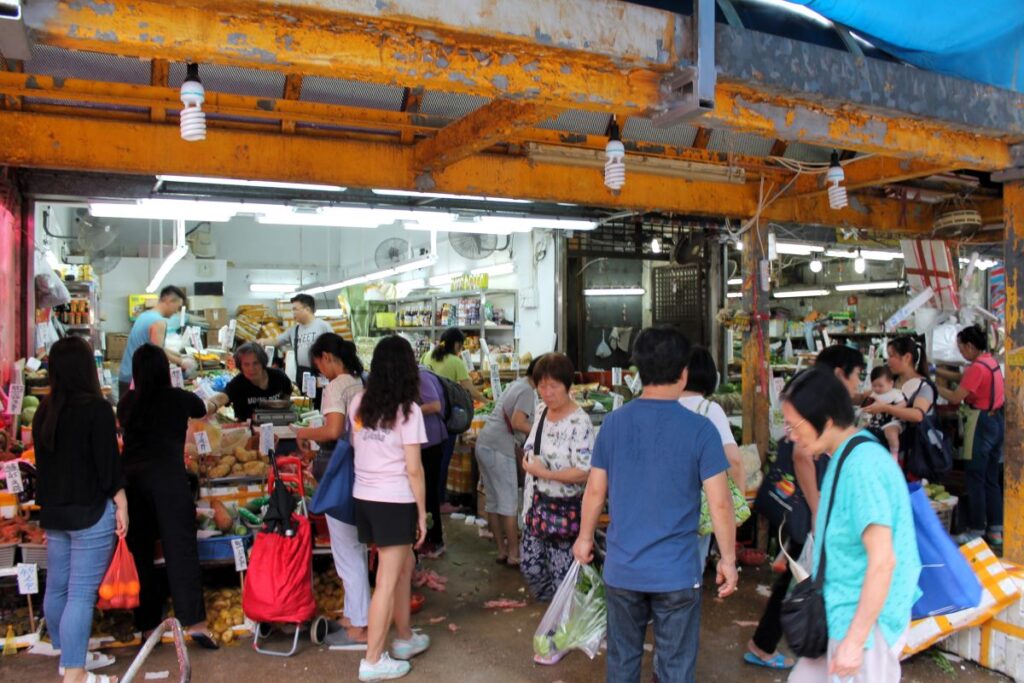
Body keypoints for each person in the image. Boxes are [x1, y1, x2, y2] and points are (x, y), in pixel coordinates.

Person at [574, 328, 738, 682]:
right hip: (677, 573)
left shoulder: (614, 423)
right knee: (675, 667)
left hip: (622, 570)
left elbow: (594, 492)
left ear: (636, 374)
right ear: (683, 374)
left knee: (622, 661)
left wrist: (585, 538)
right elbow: (720, 504)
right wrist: (728, 559)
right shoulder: (702, 429)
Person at [783, 368, 921, 683]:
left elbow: (883, 561)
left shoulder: (863, 467)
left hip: (864, 624)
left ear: (826, 421)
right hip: (839, 610)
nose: (790, 435)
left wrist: (856, 640)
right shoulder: (844, 455)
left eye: (794, 426)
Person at [746, 343, 867, 671]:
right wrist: (818, 511)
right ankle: (769, 643)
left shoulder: (814, 404)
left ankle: (766, 642)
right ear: (840, 373)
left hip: (803, 506)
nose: (857, 384)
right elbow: (801, 456)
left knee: (798, 575)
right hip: (807, 507)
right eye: (857, 376)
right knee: (803, 577)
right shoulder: (814, 409)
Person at [33, 337, 128, 683]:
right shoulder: (97, 409)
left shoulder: (45, 410)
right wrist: (122, 504)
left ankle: (67, 656)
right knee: (81, 594)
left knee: (57, 587)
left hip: (55, 514)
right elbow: (108, 466)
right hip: (90, 513)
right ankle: (75, 673)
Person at [117, 344, 217, 649]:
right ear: (164, 369)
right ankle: (195, 624)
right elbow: (203, 409)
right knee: (181, 550)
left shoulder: (126, 403)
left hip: (133, 483)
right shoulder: (178, 398)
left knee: (142, 554)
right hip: (169, 481)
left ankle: (148, 627)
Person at [351, 335, 430, 682]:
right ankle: (373, 659)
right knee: (386, 578)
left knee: (401, 566)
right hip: (393, 498)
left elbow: (358, 445)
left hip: (364, 497)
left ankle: (405, 638)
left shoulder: (358, 402)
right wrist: (422, 511)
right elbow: (414, 468)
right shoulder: (409, 411)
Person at [291, 334, 371, 649]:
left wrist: (302, 432)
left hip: (342, 470)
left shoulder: (337, 386)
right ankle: (354, 616)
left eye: (319, 365)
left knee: (346, 550)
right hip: (360, 467)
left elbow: (334, 430)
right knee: (354, 548)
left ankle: (361, 626)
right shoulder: (358, 382)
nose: (321, 372)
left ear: (326, 357)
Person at [520, 353, 594, 614]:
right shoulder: (540, 411)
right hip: (535, 504)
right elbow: (530, 445)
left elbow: (585, 472)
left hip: (563, 510)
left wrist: (546, 473)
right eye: (541, 386)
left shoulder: (579, 422)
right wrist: (529, 462)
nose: (547, 392)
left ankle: (563, 620)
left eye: (553, 386)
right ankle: (555, 609)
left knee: (563, 572)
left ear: (568, 386)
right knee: (530, 566)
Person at [936, 325, 1005, 546]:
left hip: (980, 423)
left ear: (970, 346)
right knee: (991, 479)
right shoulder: (990, 362)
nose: (961, 353)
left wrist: (935, 387)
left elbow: (956, 397)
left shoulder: (976, 368)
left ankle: (975, 530)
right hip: (996, 422)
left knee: (975, 478)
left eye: (961, 348)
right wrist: (937, 370)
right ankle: (995, 529)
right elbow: (963, 376)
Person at [678, 346, 745, 563]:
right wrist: (737, 507)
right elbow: (733, 460)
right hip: (701, 506)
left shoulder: (662, 406)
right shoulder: (710, 410)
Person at [474, 355, 541, 567]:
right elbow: (518, 422)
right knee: (509, 502)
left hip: (485, 443)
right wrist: (543, 432)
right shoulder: (527, 391)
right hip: (499, 449)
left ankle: (502, 551)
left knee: (494, 500)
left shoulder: (517, 384)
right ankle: (514, 554)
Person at [421, 328, 484, 511]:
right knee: (442, 460)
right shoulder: (456, 362)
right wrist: (487, 400)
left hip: (427, 417)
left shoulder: (428, 355)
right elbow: (469, 389)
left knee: (429, 460)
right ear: (457, 344)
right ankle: (439, 501)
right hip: (445, 416)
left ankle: (429, 499)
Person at [863, 336, 935, 468]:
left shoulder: (924, 386)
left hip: (908, 453)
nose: (888, 361)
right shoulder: (890, 382)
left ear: (907, 357)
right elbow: (865, 396)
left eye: (892, 356)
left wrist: (885, 408)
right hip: (881, 446)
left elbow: (918, 415)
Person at [118, 285, 191, 399]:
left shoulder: (144, 316)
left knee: (127, 415)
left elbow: (155, 346)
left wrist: (178, 355)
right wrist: (182, 362)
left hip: (126, 375)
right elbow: (158, 352)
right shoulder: (158, 322)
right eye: (177, 307)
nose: (176, 311)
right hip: (136, 381)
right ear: (168, 300)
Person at [206, 343, 293, 422]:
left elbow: (287, 393)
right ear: (240, 366)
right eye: (246, 364)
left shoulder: (278, 376)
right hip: (248, 431)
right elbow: (221, 398)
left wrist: (284, 413)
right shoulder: (238, 383)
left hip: (278, 426)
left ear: (262, 363)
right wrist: (205, 407)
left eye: (255, 363)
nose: (251, 368)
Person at [416, 363, 449, 559]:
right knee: (426, 491)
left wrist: (408, 411)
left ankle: (435, 540)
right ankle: (428, 538)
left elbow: (436, 405)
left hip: (432, 441)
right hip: (423, 441)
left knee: (429, 492)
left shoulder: (421, 376)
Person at [273, 294, 333, 403]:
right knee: (305, 406)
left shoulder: (323, 326)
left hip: (321, 376)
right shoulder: (294, 330)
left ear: (307, 309)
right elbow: (276, 341)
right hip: (302, 376)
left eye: (295, 309)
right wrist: (260, 342)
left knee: (320, 406)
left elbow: (334, 351)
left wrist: (327, 378)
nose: (293, 313)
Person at [863, 366, 905, 458]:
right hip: (876, 422)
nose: (877, 388)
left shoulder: (895, 393)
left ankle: (894, 454)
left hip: (891, 421)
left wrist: (889, 408)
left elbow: (903, 404)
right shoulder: (873, 394)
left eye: (880, 386)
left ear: (891, 383)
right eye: (874, 385)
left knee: (891, 435)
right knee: (861, 431)